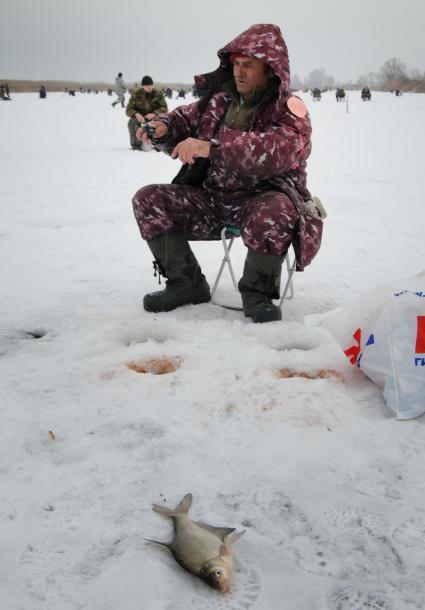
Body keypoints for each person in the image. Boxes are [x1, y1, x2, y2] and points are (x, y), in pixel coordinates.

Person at [132, 24, 323, 323]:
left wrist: (212, 147)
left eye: (249, 65)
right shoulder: (220, 101)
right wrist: (164, 126)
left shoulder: (289, 110)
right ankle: (186, 284)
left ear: (270, 70)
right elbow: (183, 117)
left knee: (275, 210)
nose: (239, 72)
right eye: (236, 64)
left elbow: (277, 151)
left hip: (258, 204)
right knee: (148, 200)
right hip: (212, 202)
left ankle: (258, 295)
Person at [125, 75, 168, 150]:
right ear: (143, 86)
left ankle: (157, 144)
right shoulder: (136, 94)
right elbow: (128, 110)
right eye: (147, 85)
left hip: (154, 119)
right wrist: (136, 114)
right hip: (141, 120)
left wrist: (154, 113)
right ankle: (136, 145)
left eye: (151, 85)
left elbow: (164, 108)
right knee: (132, 122)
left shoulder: (158, 94)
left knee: (162, 123)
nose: (149, 87)